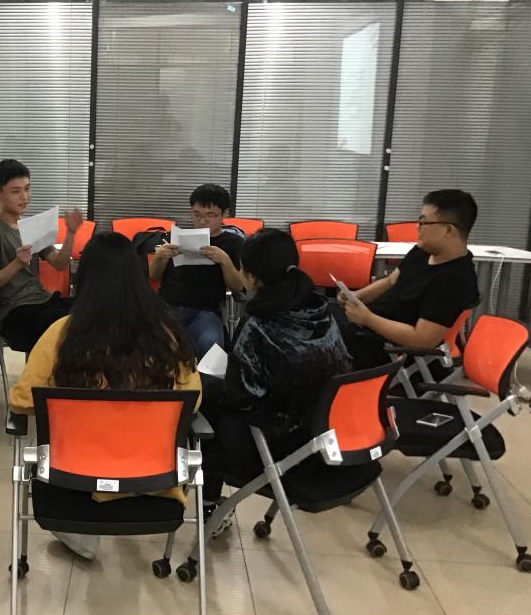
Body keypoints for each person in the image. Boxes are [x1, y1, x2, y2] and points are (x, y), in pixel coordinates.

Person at [10, 232, 202, 560]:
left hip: (71, 476)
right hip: (151, 478)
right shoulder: (166, 335)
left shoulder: (61, 333)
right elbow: (192, 400)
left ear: (84, 279)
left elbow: (22, 401)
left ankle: (79, 534)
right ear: (138, 279)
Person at [198, 229, 351, 523]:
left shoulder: (259, 323)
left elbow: (238, 397)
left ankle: (208, 506)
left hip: (283, 442)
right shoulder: (321, 308)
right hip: (332, 432)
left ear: (252, 278)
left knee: (204, 405)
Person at [336, 189, 480, 370]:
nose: (416, 228)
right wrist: (356, 296)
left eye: (423, 222)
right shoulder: (422, 252)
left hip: (385, 349)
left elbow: (421, 339)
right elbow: (390, 281)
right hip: (364, 327)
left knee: (310, 349)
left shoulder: (455, 280)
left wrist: (367, 319)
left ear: (448, 230)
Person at [0, 159, 83, 349]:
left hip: (41, 299)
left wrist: (71, 233)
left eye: (27, 189)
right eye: (16, 191)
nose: (24, 197)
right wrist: (17, 263)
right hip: (14, 311)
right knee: (73, 322)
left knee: (92, 308)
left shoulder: (30, 226)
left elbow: (59, 263)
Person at [149, 183, 245, 357]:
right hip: (169, 307)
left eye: (210, 215)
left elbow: (238, 287)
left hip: (206, 310)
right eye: (197, 214)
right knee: (152, 346)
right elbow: (154, 276)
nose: (202, 220)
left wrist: (224, 260)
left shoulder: (233, 242)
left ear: (225, 214)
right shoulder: (175, 237)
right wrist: (159, 257)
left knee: (212, 347)